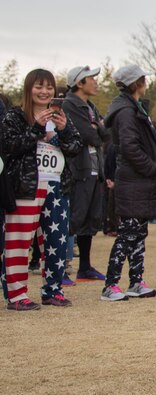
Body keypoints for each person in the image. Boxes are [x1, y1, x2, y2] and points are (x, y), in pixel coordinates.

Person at [1, 69, 82, 309]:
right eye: (39, 86)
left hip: (56, 186)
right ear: (29, 88)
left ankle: (53, 290)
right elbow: (9, 145)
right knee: (19, 241)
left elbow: (75, 147)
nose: (44, 92)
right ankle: (17, 295)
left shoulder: (60, 116)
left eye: (49, 88)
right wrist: (36, 128)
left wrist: (65, 129)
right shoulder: (15, 116)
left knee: (56, 241)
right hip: (25, 187)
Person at [101, 64, 156, 301]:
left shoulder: (132, 107)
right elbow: (130, 147)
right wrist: (152, 168)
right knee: (128, 234)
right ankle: (110, 285)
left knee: (138, 233)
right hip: (133, 180)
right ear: (137, 82)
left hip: (138, 181)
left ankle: (136, 280)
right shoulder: (127, 112)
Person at [62, 65, 110, 282]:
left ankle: (85, 267)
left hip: (94, 169)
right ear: (79, 83)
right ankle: (59, 268)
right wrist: (97, 129)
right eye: (91, 78)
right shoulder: (69, 105)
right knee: (73, 218)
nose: (95, 82)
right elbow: (88, 136)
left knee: (90, 220)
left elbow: (105, 134)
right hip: (78, 169)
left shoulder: (90, 106)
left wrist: (98, 128)